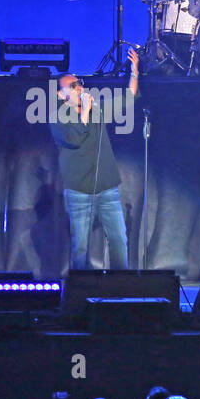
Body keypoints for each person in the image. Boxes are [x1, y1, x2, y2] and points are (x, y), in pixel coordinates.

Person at [50, 47, 138, 271]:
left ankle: (122, 286)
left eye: (78, 83)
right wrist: (85, 111)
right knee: (80, 245)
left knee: (119, 239)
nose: (78, 87)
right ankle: (80, 292)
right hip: (79, 189)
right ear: (61, 94)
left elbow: (127, 100)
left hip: (107, 186)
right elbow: (75, 138)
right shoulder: (57, 116)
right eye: (72, 86)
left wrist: (135, 71)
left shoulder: (95, 108)